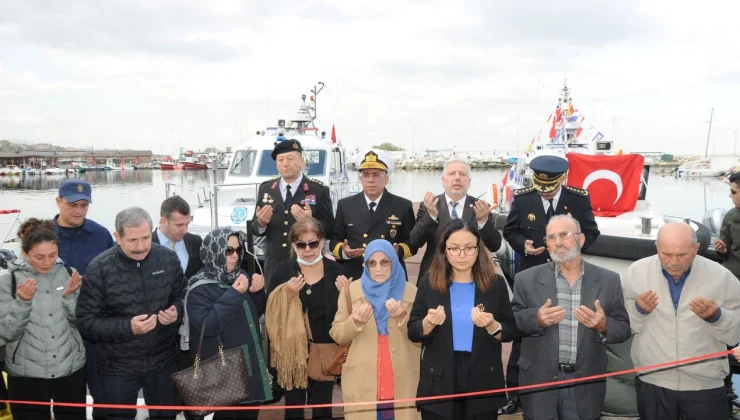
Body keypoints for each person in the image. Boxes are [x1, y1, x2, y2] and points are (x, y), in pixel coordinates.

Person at [500, 155, 600, 414]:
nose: (545, 192)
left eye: (551, 187)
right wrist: (524, 245)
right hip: (533, 276)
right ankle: (515, 393)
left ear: (562, 180)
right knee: (525, 333)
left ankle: (564, 389)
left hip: (569, 274)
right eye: (540, 187)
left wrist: (571, 252)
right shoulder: (523, 198)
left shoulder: (578, 198)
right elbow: (511, 231)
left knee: (565, 334)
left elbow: (592, 230)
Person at [511, 215, 631, 420]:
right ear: (546, 244)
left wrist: (604, 325)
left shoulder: (609, 280)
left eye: (565, 235)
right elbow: (513, 322)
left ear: (581, 239)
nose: (558, 242)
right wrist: (536, 319)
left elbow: (623, 328)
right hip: (540, 383)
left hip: (584, 384)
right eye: (551, 237)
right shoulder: (526, 279)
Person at [76, 207, 186, 420]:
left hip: (163, 363)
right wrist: (128, 327)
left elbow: (182, 296)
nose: (141, 246)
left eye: (146, 238)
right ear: (117, 237)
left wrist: (177, 313)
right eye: (133, 240)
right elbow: (86, 322)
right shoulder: (99, 269)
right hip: (117, 368)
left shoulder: (167, 259)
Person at [623, 222, 740, 420]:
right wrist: (638, 310)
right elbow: (623, 326)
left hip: (706, 388)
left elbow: (736, 335)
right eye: (666, 254)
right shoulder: (636, 273)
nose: (674, 262)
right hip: (653, 384)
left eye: (682, 255)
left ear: (696, 249)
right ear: (657, 247)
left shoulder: (722, 277)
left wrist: (717, 317)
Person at [408, 219, 517, 419]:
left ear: (478, 250)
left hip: (483, 376)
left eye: (468, 248)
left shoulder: (496, 284)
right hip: (439, 377)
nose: (461, 255)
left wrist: (493, 326)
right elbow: (413, 331)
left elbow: (510, 330)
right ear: (444, 251)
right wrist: (428, 323)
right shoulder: (429, 282)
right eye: (454, 248)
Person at [0, 218, 86, 420]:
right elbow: (6, 333)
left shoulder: (68, 274)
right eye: (39, 257)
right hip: (26, 374)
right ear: (25, 252)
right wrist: (22, 302)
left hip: (70, 369)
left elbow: (82, 324)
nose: (47, 262)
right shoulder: (7, 281)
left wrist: (71, 297)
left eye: (52, 255)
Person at [266, 217, 349, 420]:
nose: (308, 249)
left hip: (325, 351)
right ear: (294, 245)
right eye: (301, 245)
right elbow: (269, 310)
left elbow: (349, 314)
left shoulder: (337, 272)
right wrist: (285, 293)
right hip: (292, 353)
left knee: (323, 410)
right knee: (293, 410)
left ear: (322, 242)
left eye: (313, 243)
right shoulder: (282, 271)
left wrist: (346, 295)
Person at [185, 228, 272, 419]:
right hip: (225, 377)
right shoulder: (199, 288)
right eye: (228, 251)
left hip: (249, 368)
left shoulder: (239, 277)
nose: (235, 256)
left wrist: (257, 293)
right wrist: (234, 294)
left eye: (238, 250)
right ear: (213, 251)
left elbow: (249, 317)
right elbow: (208, 327)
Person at [330, 239, 420, 420]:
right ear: (366, 265)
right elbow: (337, 335)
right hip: (363, 381)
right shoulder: (352, 290)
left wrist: (403, 319)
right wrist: (354, 322)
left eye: (384, 262)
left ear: (394, 262)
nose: (378, 268)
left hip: (402, 381)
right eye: (372, 263)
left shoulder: (411, 292)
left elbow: (420, 338)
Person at [53, 179, 115, 419]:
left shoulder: (101, 235)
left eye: (84, 205)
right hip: (59, 333)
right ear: (58, 201)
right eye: (72, 204)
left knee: (104, 396)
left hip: (94, 334)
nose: (78, 210)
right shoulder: (43, 235)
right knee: (68, 402)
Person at [251, 139, 335, 283]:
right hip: (274, 265)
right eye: (280, 160)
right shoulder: (266, 189)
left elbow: (331, 228)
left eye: (290, 159)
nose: (285, 164)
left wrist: (312, 223)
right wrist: (261, 223)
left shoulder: (318, 190)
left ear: (302, 161)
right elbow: (254, 228)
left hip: (306, 264)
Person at [409, 158, 502, 281]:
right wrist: (431, 216)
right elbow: (414, 241)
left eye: (462, 174)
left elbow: (495, 246)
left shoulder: (481, 208)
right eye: (452, 173)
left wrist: (483, 221)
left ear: (469, 182)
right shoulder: (429, 205)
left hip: (472, 277)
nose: (457, 178)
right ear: (443, 181)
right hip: (433, 276)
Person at [331, 150, 416, 281]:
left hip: (390, 275)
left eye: (376, 175)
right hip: (356, 274)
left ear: (386, 179)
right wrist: (344, 251)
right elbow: (335, 239)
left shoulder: (402, 206)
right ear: (360, 179)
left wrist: (398, 250)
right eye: (366, 175)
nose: (370, 180)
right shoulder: (345, 205)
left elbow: (411, 242)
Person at [713, 171, 740, 280]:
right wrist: (722, 249)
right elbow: (726, 246)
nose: (730, 196)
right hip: (731, 277)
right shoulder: (730, 215)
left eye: (733, 192)